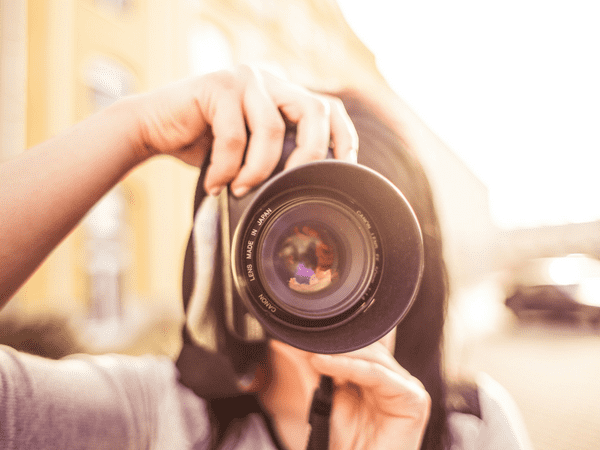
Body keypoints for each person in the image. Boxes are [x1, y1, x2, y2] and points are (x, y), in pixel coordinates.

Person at [0, 65, 531, 450]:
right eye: (294, 235)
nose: (317, 266)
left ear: (408, 265)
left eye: (344, 243)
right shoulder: (155, 416)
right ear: (227, 251)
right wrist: (136, 129)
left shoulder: (474, 428)